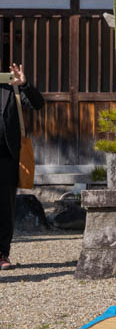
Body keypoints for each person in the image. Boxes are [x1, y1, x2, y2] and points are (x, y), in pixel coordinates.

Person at [1, 62, 44, 270]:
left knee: (4, 206)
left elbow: (38, 104)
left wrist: (24, 83)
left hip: (6, 155)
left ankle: (2, 253)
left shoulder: (11, 84)